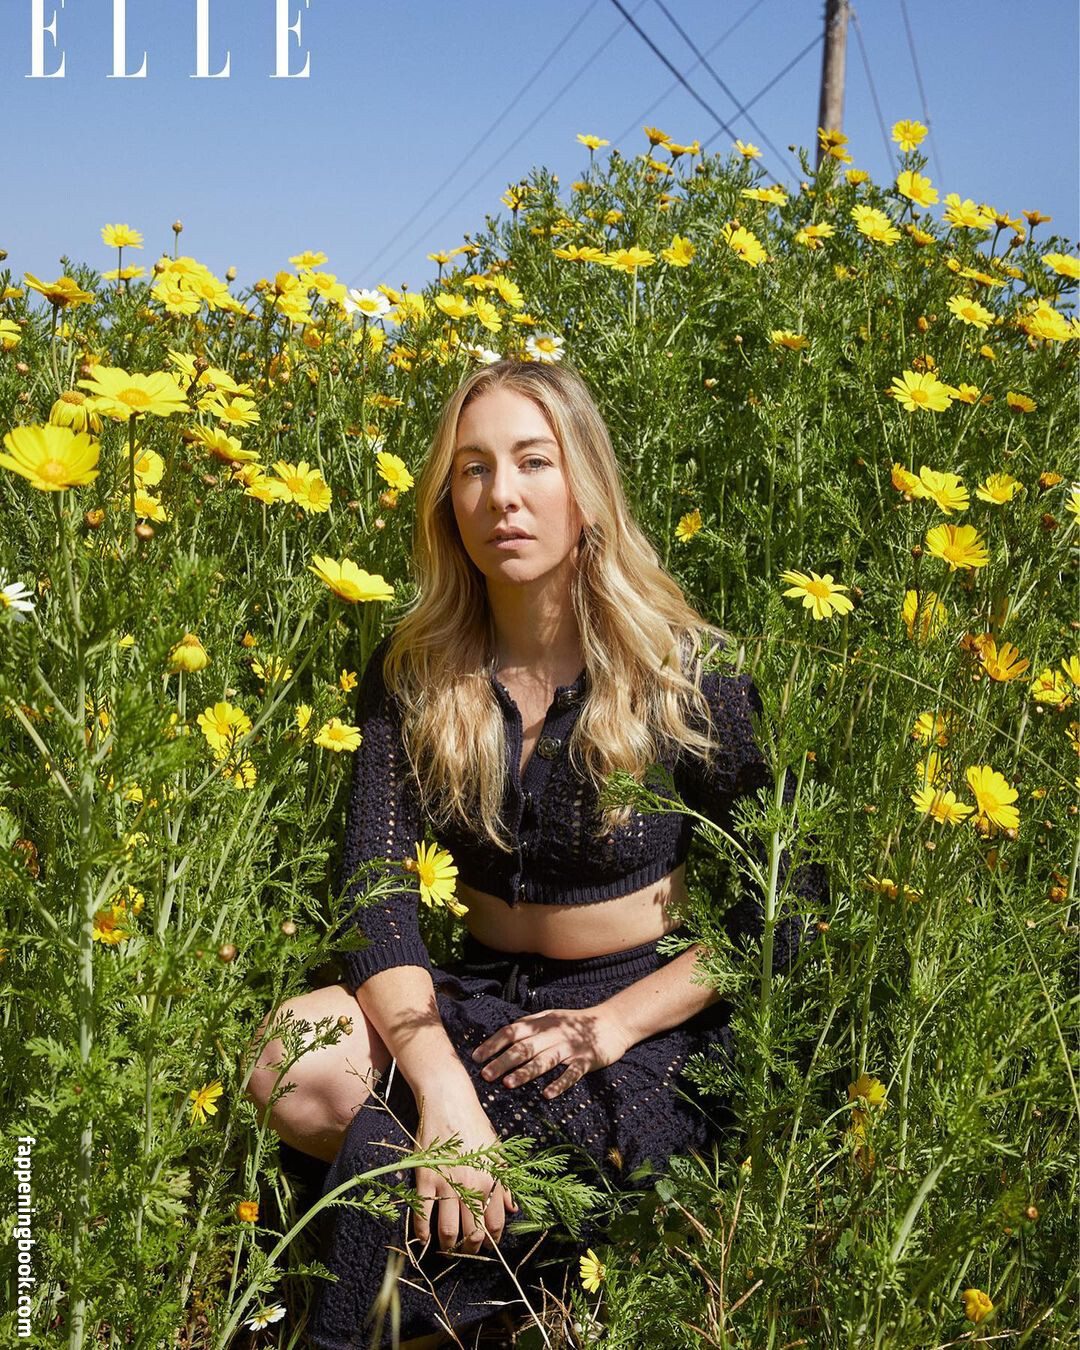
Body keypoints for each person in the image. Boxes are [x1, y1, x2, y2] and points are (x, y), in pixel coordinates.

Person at [246, 358, 828, 1349]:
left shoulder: (687, 670)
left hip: (638, 1022)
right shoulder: (414, 671)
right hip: (475, 998)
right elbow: (376, 898)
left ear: (584, 486)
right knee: (285, 1058)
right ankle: (509, 1261)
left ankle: (412, 1292)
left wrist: (611, 1026)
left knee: (385, 1159)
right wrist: (441, 1084)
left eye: (531, 462)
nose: (501, 496)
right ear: (447, 502)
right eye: (472, 469)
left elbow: (788, 906)